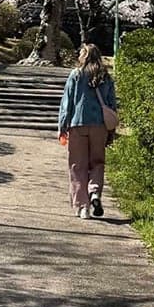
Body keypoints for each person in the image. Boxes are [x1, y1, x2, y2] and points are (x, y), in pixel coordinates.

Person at [58, 43, 117, 219]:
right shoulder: (106, 77)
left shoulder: (76, 75)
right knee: (97, 163)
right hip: (100, 125)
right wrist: (111, 130)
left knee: (77, 165)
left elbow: (67, 103)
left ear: (83, 56)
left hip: (78, 124)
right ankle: (95, 193)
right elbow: (112, 104)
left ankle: (83, 207)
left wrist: (62, 125)